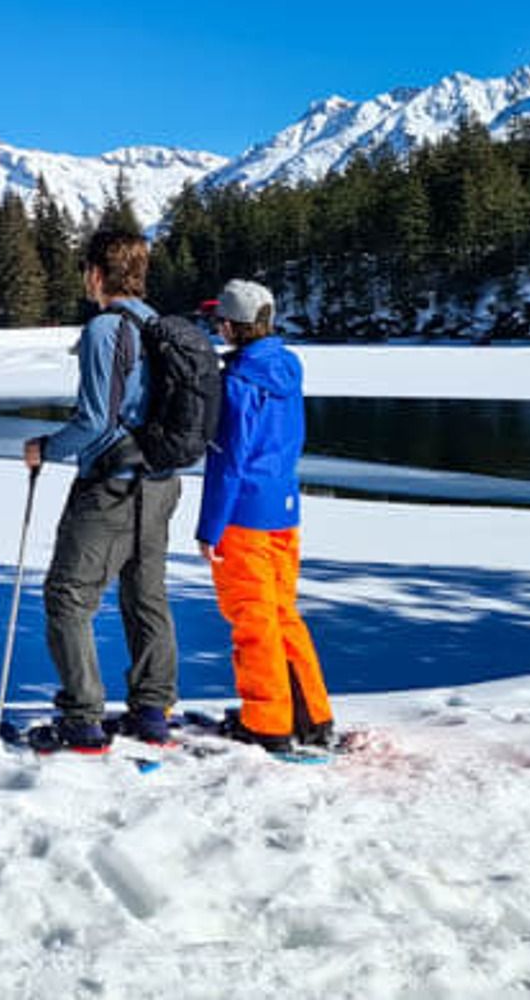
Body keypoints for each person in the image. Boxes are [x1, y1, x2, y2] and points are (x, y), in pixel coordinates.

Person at [21, 231, 182, 752]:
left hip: (111, 484)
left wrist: (46, 447)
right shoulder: (158, 323)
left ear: (96, 273)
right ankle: (152, 713)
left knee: (67, 597)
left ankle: (83, 718)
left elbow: (94, 418)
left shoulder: (105, 329)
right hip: (160, 483)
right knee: (145, 596)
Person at [195, 279, 335, 751]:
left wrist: (209, 527)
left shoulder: (237, 384)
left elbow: (228, 461)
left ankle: (268, 722)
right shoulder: (288, 368)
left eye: (220, 320)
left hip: (244, 515)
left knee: (253, 620)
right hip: (284, 507)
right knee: (282, 614)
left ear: (233, 325)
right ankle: (312, 715)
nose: (217, 327)